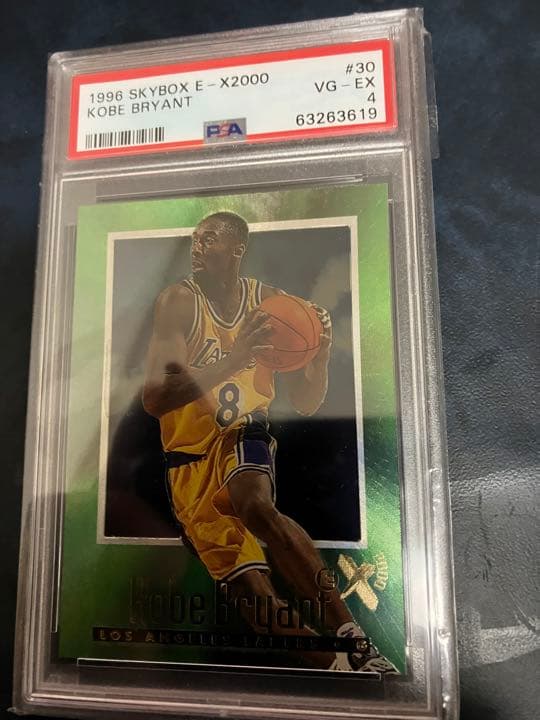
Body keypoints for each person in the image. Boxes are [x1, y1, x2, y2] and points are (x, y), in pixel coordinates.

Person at [143, 210, 396, 673]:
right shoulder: (179, 301)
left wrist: (318, 356)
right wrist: (236, 356)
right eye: (196, 239)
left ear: (237, 249)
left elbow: (305, 401)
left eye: (210, 240)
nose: (197, 247)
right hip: (186, 460)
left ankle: (351, 634)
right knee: (254, 598)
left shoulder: (272, 304)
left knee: (256, 506)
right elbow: (156, 398)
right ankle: (343, 668)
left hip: (242, 431)